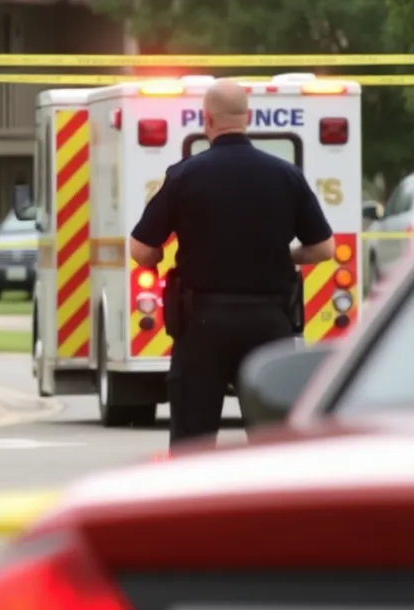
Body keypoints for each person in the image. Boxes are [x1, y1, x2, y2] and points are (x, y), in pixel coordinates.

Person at [130, 78, 334, 448]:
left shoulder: (184, 176)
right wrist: (281, 254)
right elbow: (323, 249)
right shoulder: (285, 175)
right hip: (269, 324)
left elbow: (141, 249)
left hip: (202, 325)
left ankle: (196, 505)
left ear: (207, 120)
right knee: (273, 443)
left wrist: (160, 257)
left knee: (193, 442)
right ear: (248, 118)